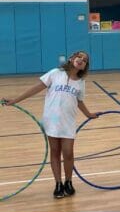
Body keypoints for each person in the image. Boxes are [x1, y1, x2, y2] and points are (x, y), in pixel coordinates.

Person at [2, 51, 97, 198]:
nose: (81, 60)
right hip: (52, 120)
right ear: (72, 59)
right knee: (55, 151)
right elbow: (35, 89)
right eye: (79, 57)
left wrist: (88, 114)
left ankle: (68, 182)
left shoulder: (80, 82)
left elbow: (79, 101)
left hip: (68, 121)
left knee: (68, 153)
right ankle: (58, 184)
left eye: (85, 60)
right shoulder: (55, 73)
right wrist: (15, 100)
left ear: (85, 66)